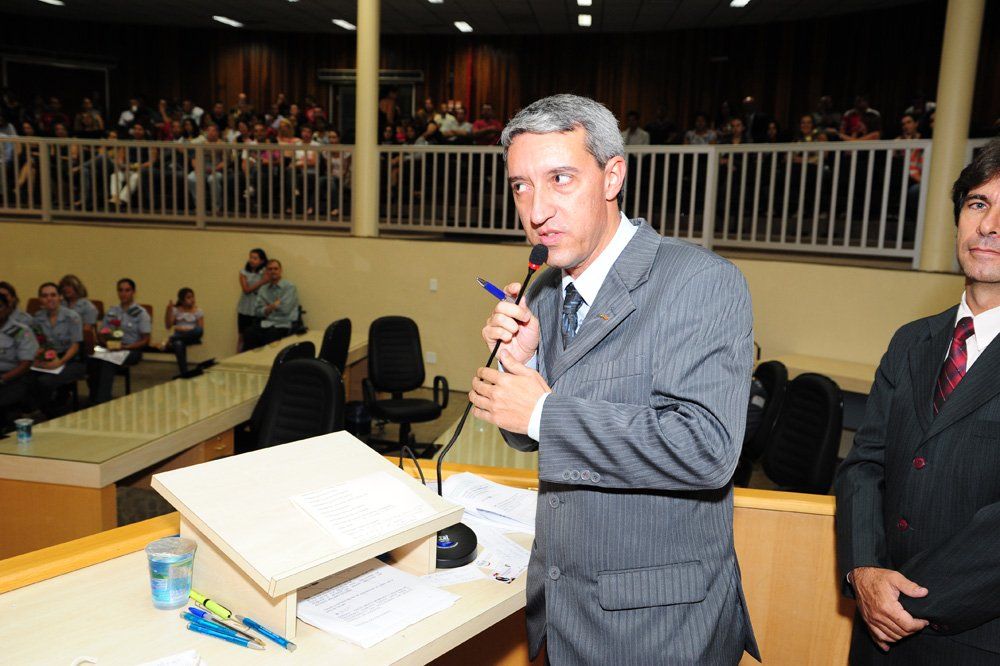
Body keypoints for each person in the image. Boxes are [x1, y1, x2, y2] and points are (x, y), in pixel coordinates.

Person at [471, 94, 758, 664]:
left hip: (657, 627)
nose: (536, 210)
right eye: (521, 186)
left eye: (560, 179)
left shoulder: (700, 281)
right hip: (561, 605)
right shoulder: (546, 288)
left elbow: (707, 449)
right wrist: (523, 368)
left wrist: (542, 411)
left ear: (612, 177)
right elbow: (530, 436)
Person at [835, 138, 1000, 663]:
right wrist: (864, 571)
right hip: (876, 629)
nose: (990, 225)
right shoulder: (911, 340)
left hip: (975, 639)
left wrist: (903, 601)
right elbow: (864, 464)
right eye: (978, 203)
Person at [87, 278, 151, 404]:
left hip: (131, 349)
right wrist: (105, 342)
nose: (123, 294)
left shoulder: (141, 313)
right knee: (92, 359)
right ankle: (93, 398)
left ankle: (102, 401)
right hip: (111, 347)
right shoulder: (112, 311)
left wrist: (125, 347)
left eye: (127, 290)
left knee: (107, 362)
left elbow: (145, 340)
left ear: (133, 292)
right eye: (120, 290)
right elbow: (102, 332)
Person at [31, 282, 85, 416]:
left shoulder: (72, 317)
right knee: (27, 376)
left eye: (53, 295)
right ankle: (41, 407)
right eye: (45, 296)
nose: (49, 299)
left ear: (60, 297)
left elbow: (75, 345)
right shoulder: (37, 318)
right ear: (40, 299)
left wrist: (59, 362)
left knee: (45, 381)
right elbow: (38, 343)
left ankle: (53, 412)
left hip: (71, 360)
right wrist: (39, 359)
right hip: (49, 358)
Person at [0, 290, 37, 431]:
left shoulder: (20, 330)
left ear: (7, 308)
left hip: (14, 378)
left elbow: (25, 364)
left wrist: (3, 378)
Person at [243, 259, 299, 350]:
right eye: (270, 269)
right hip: (266, 323)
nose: (273, 271)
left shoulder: (289, 287)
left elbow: (285, 309)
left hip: (284, 324)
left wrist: (267, 308)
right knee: (249, 332)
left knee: (271, 335)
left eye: (275, 269)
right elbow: (257, 311)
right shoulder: (263, 289)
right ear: (266, 271)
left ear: (280, 270)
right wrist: (273, 305)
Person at [160, 288, 203, 375]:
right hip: (179, 334)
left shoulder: (198, 311)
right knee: (178, 344)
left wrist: (186, 329)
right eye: (188, 298)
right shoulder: (176, 310)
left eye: (192, 297)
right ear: (182, 300)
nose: (192, 300)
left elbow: (200, 329)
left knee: (199, 330)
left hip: (191, 335)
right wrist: (168, 310)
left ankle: (171, 339)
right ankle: (184, 373)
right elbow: (168, 326)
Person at [237, 248, 269, 351]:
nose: (251, 260)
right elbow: (246, 289)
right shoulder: (243, 273)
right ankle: (238, 357)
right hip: (244, 308)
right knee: (242, 336)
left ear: (262, 261)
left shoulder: (265, 272)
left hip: (258, 309)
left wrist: (264, 279)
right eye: (250, 257)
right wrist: (262, 282)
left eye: (255, 258)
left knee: (256, 337)